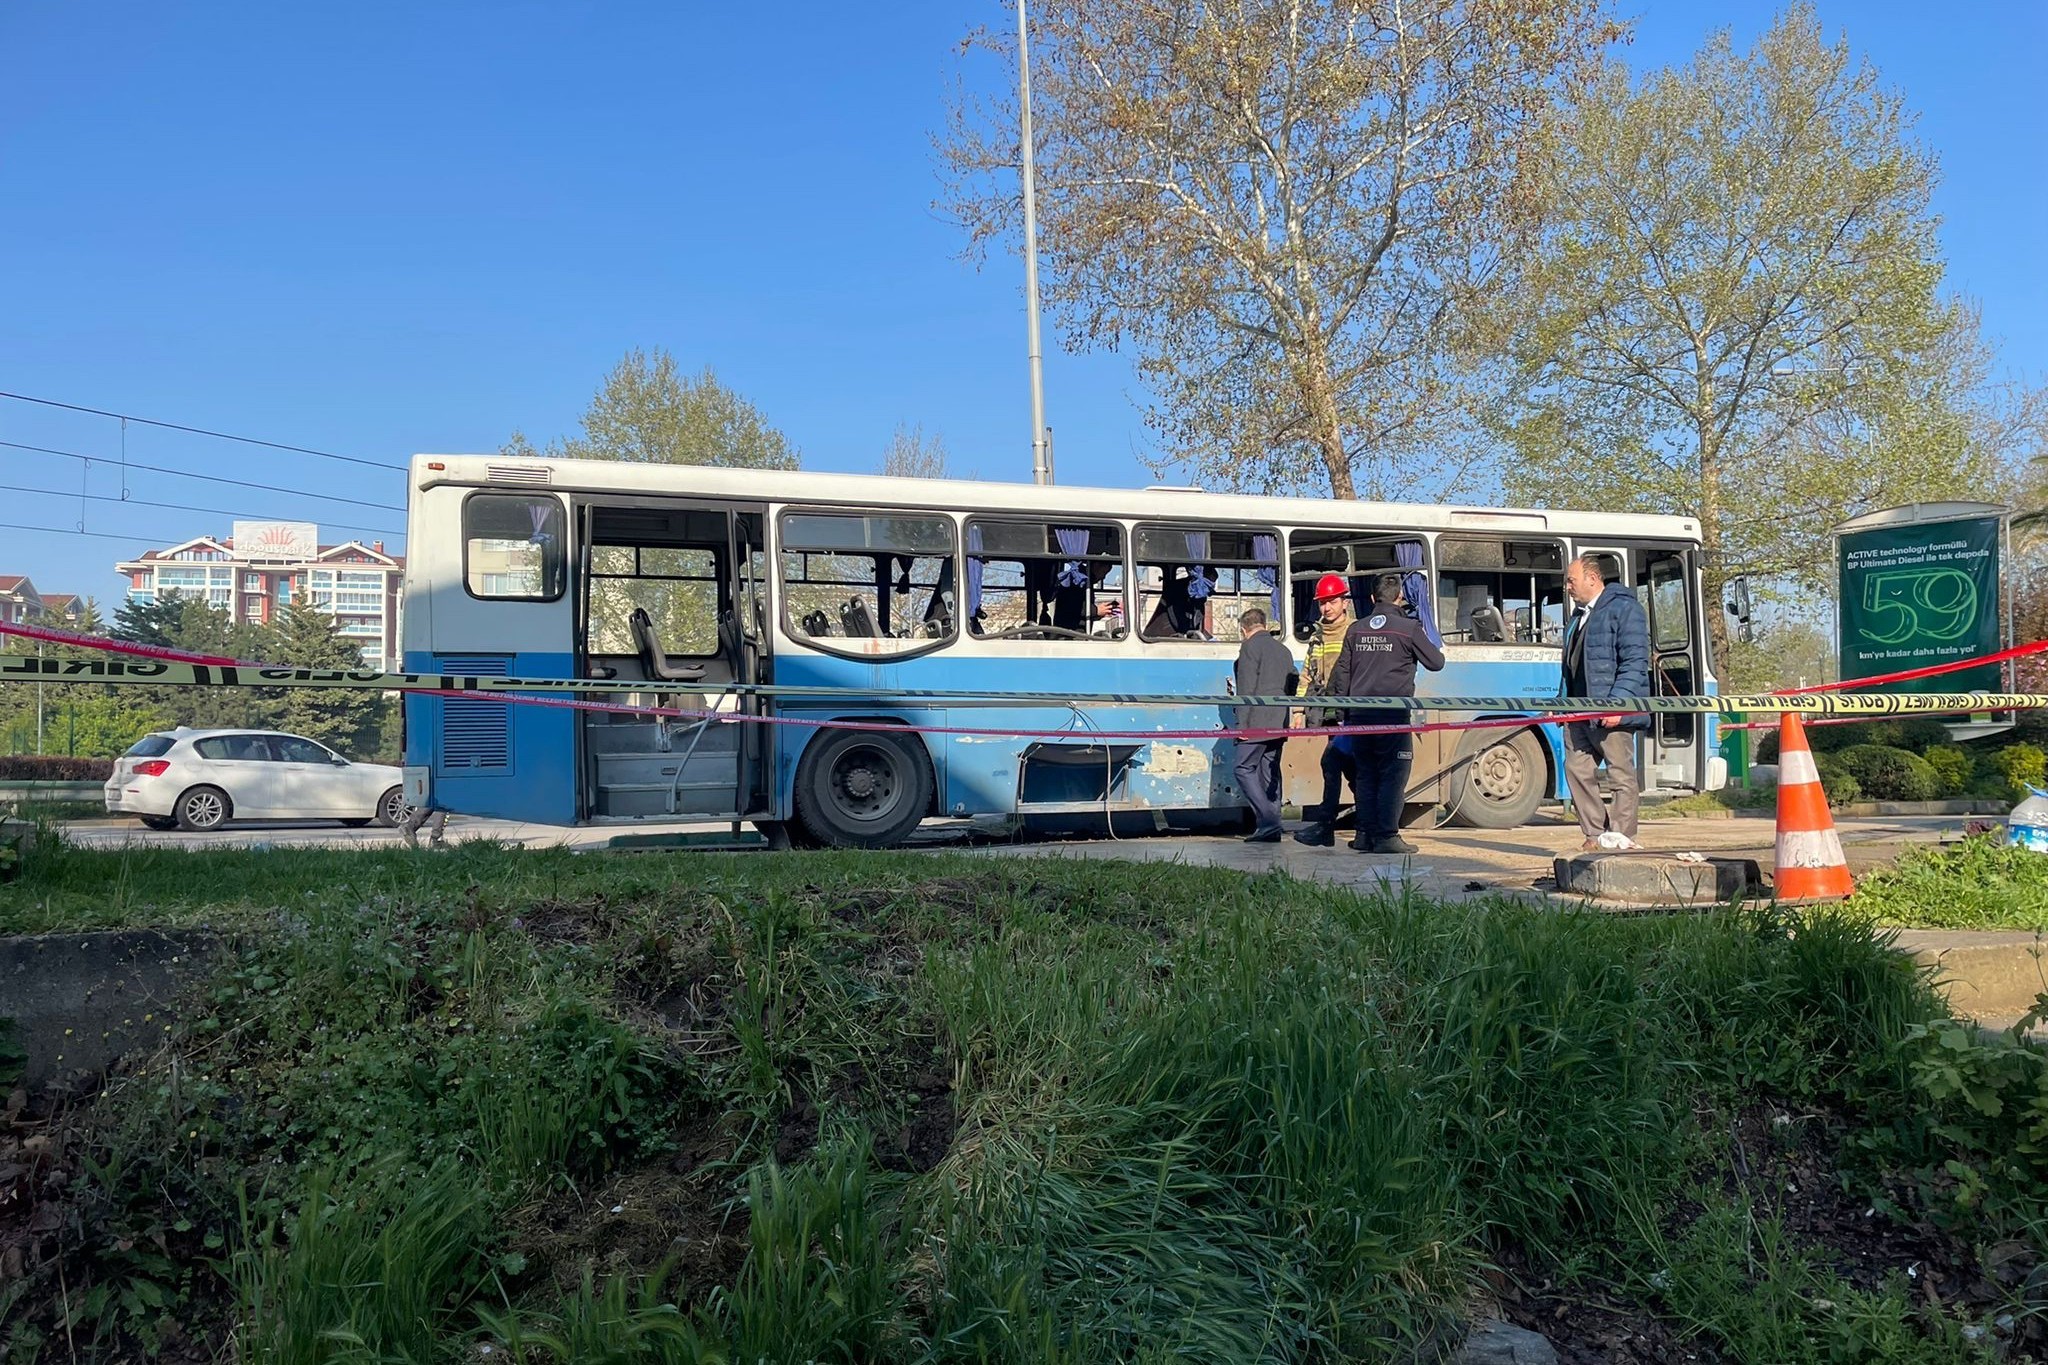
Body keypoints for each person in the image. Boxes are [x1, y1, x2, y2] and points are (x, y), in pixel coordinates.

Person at [1326, 573, 1444, 853]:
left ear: (1371, 598)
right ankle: (1387, 836)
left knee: (1366, 775)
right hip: (1392, 717)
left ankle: (1365, 835)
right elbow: (1436, 662)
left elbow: (1342, 674)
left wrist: (1344, 715)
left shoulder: (1356, 629)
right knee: (1393, 774)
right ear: (1400, 597)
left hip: (1359, 716)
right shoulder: (1408, 627)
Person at [1560, 551, 1650, 850]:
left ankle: (1621, 837)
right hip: (1578, 711)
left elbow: (1635, 662)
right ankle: (1595, 833)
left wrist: (1618, 704)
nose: (1567, 587)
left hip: (1610, 709)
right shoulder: (1578, 617)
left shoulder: (1625, 609)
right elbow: (1571, 667)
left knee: (1620, 774)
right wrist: (1562, 703)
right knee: (1576, 768)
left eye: (1571, 580)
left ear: (1592, 578)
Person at [1292, 573, 1358, 847]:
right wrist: (1297, 710)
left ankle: (1328, 828)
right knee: (1349, 770)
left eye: (1332, 601)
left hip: (1351, 714)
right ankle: (1369, 824)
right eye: (1322, 603)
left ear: (1344, 602)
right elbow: (1307, 675)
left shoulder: (1355, 632)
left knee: (1334, 765)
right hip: (1330, 715)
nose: (1326, 608)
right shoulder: (1317, 636)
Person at [1230, 608, 1297, 842]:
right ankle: (1271, 826)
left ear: (1243, 630)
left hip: (1256, 721)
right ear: (1264, 624)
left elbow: (1246, 688)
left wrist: (1242, 726)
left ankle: (1269, 820)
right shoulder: (1283, 649)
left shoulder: (1249, 648)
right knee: (1270, 771)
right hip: (1279, 720)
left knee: (1243, 768)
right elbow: (1293, 681)